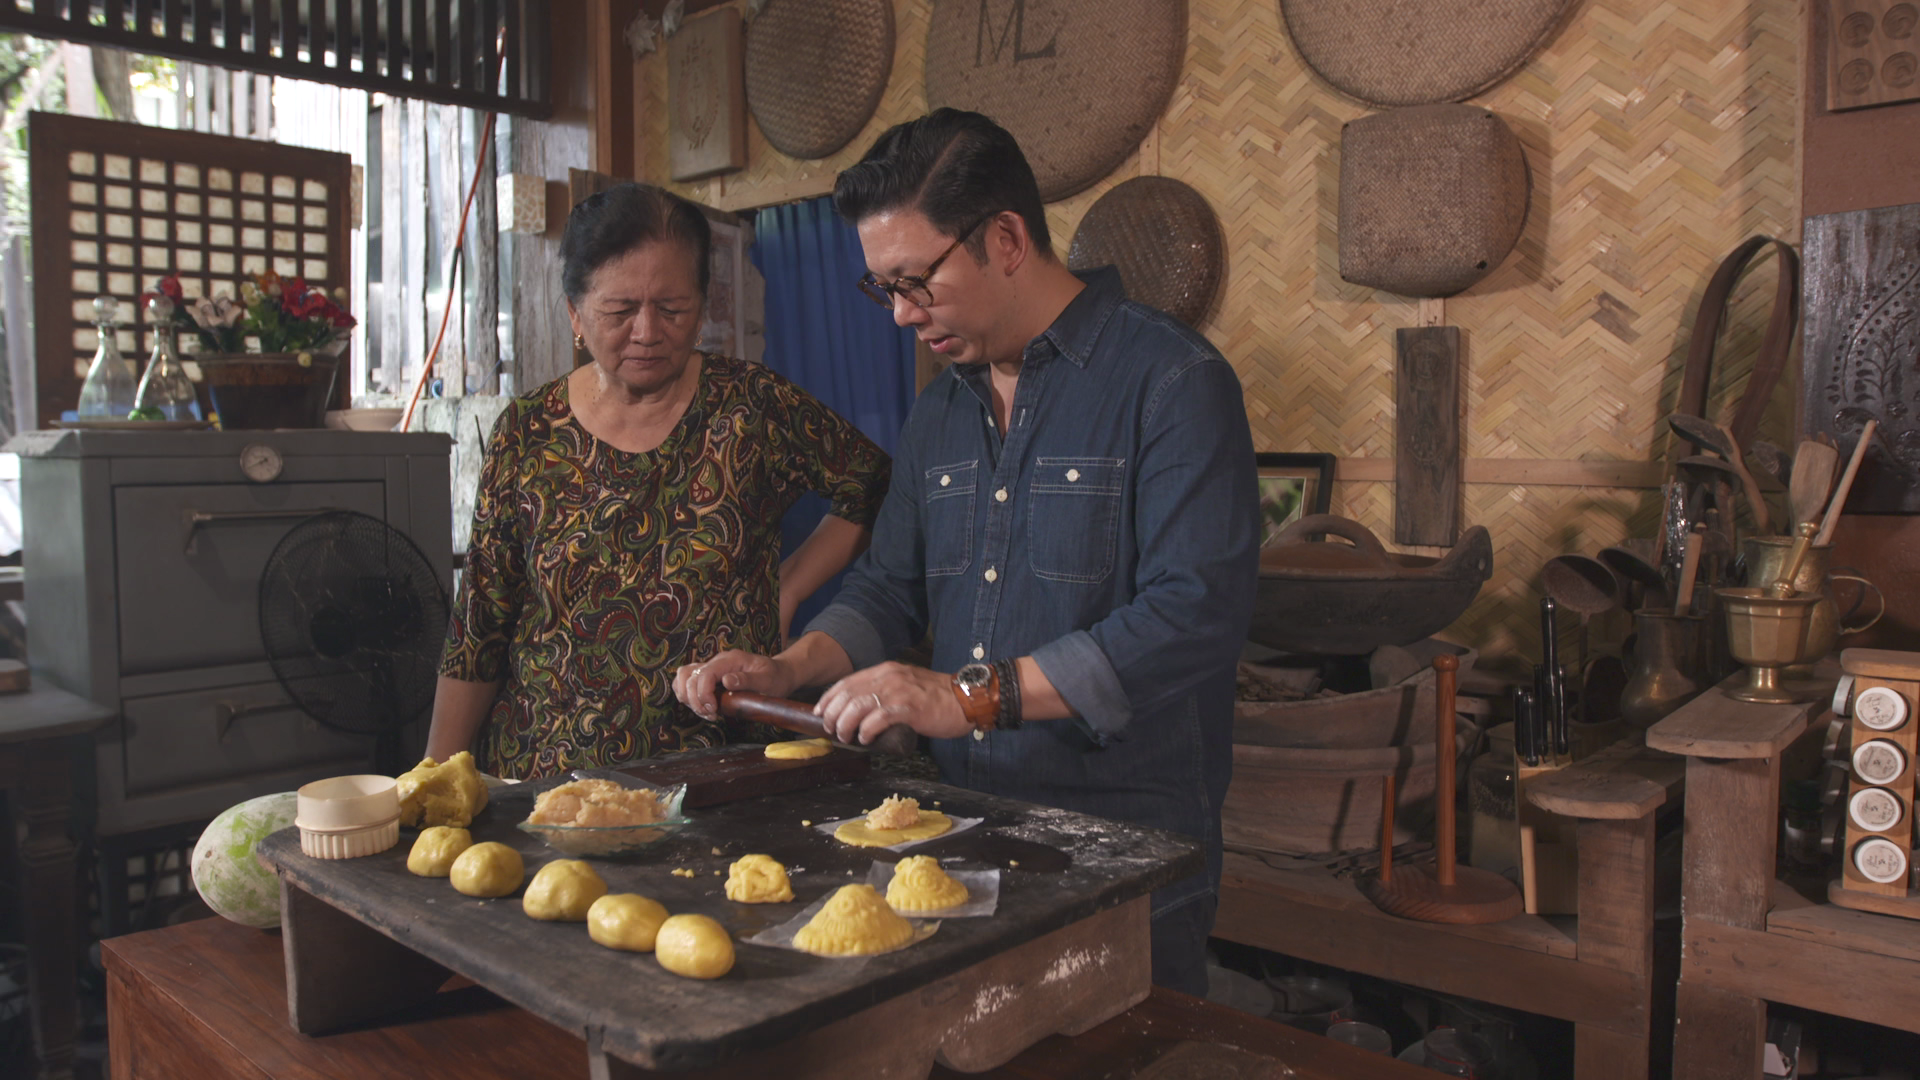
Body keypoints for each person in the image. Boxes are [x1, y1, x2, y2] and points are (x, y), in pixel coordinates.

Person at [674, 110, 1258, 994]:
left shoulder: (1171, 382)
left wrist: (966, 697)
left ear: (1007, 239)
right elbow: (889, 587)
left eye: (916, 282)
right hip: (956, 835)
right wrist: (787, 668)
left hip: (1124, 848)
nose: (902, 315)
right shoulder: (943, 411)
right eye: (883, 289)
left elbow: (1192, 616)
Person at [431, 182, 890, 779]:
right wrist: (434, 779)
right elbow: (480, 627)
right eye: (620, 311)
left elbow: (873, 484)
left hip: (718, 769)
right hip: (549, 779)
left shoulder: (751, 407)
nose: (647, 332)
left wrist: (791, 585)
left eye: (672, 309)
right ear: (574, 313)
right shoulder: (527, 431)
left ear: (701, 307)